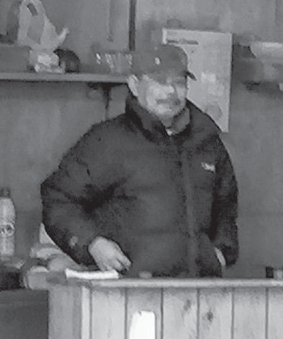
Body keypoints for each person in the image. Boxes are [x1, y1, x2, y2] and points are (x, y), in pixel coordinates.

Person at [40, 43, 239, 278]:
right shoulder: (107, 141)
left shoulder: (206, 142)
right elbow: (58, 198)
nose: (171, 92)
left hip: (198, 292)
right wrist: (93, 244)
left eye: (178, 82)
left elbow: (226, 207)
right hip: (127, 293)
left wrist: (220, 254)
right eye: (160, 82)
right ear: (134, 85)